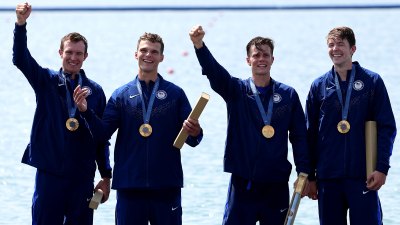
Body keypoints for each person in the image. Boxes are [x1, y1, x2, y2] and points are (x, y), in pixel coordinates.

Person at [73, 32, 204, 225]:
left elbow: (193, 139)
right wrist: (86, 111)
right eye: (143, 50)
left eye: (154, 52)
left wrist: (195, 131)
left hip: (166, 185)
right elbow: (101, 134)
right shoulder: (121, 95)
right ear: (136, 55)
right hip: (130, 187)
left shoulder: (175, 94)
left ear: (161, 57)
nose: (148, 55)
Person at [189, 25, 311, 225]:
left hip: (276, 184)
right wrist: (199, 45)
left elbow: (299, 137)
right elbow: (215, 72)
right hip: (243, 183)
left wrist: (304, 172)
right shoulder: (236, 90)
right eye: (256, 55)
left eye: (265, 55)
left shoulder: (288, 95)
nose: (261, 59)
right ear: (248, 60)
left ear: (273, 59)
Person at [13, 3, 112, 225]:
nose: (73, 58)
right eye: (69, 52)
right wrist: (21, 24)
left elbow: (101, 137)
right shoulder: (45, 81)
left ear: (86, 56)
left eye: (79, 53)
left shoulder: (95, 91)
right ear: (60, 53)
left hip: (82, 178)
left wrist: (106, 176)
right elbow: (20, 59)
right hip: (50, 175)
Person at [305, 26, 397, 225]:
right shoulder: (318, 86)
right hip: (328, 177)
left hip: (363, 176)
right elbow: (309, 135)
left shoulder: (372, 82)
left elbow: (387, 127)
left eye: (340, 44)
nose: (335, 49)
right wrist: (309, 176)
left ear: (353, 49)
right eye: (331, 45)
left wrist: (382, 168)